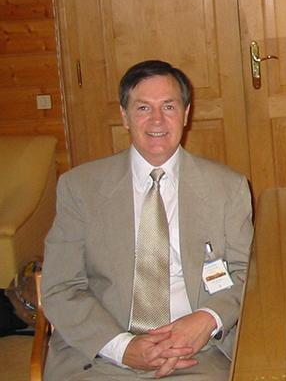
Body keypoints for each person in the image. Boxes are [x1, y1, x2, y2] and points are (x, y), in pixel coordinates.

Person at [42, 60, 254, 380]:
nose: (157, 119)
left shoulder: (228, 188)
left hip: (197, 353)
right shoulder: (80, 188)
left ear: (186, 114)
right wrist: (123, 347)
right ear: (125, 116)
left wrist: (206, 319)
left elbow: (248, 276)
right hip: (102, 354)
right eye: (143, 107)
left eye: (168, 106)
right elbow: (60, 286)